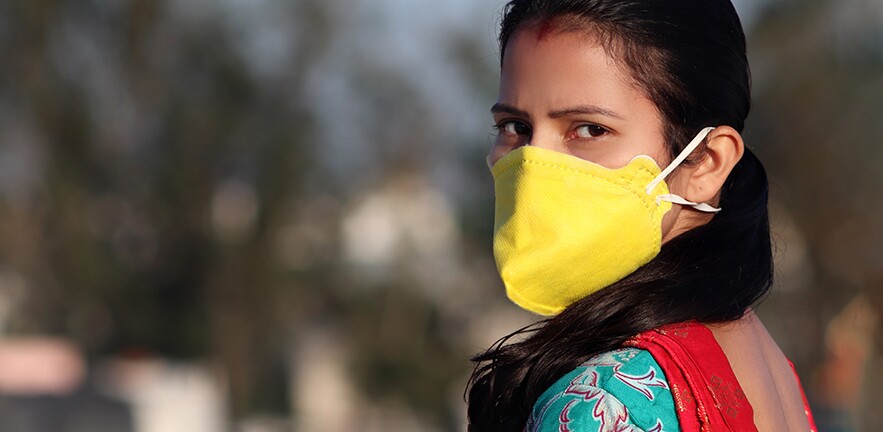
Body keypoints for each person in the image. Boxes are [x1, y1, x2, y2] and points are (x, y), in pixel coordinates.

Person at [466, 1, 818, 431]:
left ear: (706, 162)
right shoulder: (771, 366)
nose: (534, 166)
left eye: (590, 129)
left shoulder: (601, 402)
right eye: (515, 127)